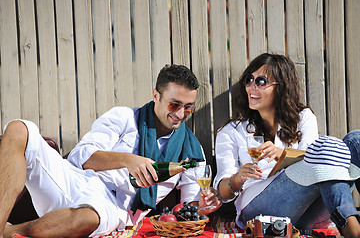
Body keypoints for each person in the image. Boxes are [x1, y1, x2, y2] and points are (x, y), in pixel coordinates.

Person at [0, 64, 221, 238]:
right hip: (75, 180)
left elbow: (190, 206)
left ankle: (9, 233)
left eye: (189, 107)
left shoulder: (191, 152)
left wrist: (202, 206)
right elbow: (80, 157)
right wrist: (127, 160)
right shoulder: (124, 118)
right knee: (20, 128)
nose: (181, 114)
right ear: (156, 95)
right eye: (175, 105)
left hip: (112, 207)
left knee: (87, 219)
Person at [213, 53, 360, 237]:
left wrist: (284, 154)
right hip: (260, 208)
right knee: (325, 149)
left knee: (356, 139)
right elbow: (222, 193)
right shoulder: (231, 131)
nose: (251, 86)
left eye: (260, 81)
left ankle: (347, 222)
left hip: (310, 210)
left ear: (281, 88)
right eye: (249, 80)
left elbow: (316, 159)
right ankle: (351, 226)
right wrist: (236, 178)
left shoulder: (304, 117)